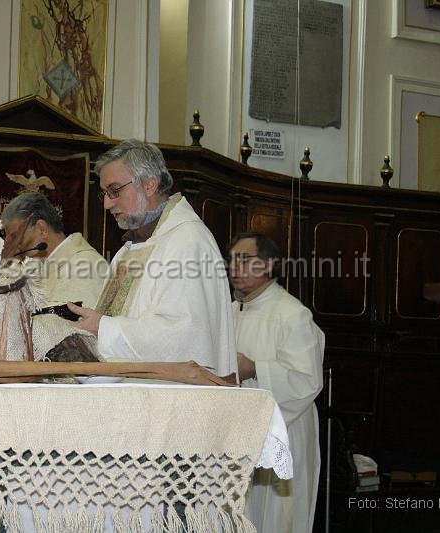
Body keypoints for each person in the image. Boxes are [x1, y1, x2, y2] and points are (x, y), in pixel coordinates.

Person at [68, 139, 237, 376]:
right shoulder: (128, 250)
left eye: (115, 190)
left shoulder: (188, 242)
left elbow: (185, 339)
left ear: (149, 185)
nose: (107, 204)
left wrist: (103, 327)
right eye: (104, 194)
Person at [228, 231, 324, 533]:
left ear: (268, 266)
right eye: (231, 260)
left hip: (283, 433)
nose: (235, 267)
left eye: (244, 259)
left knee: (276, 519)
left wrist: (254, 368)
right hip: (238, 434)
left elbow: (307, 380)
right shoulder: (231, 312)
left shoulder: (292, 314)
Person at [1, 191, 106, 308]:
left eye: (17, 237)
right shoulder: (38, 267)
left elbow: (79, 325)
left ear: (42, 229)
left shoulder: (86, 267)